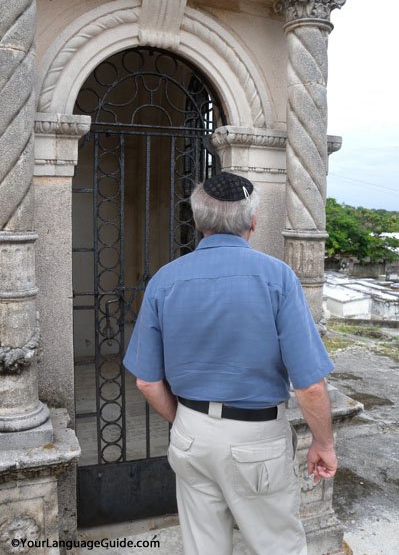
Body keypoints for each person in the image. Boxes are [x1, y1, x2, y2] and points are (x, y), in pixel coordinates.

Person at [123, 172, 337, 555]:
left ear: (198, 221)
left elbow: (146, 381)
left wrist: (190, 421)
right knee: (277, 548)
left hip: (190, 435)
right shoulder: (278, 278)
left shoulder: (164, 281)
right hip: (257, 441)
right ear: (253, 222)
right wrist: (323, 442)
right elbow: (309, 385)